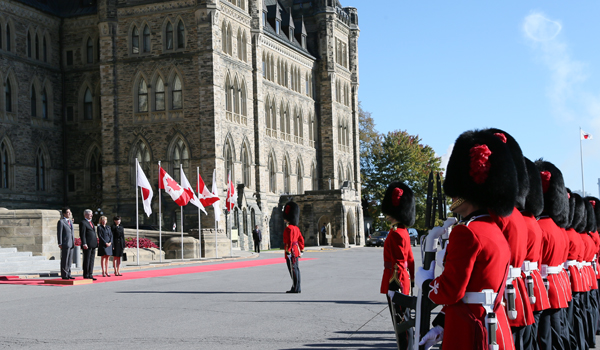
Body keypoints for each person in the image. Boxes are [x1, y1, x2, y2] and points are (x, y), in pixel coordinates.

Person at [417, 130, 516, 350]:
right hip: (493, 326)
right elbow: (475, 290)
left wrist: (426, 284)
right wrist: (441, 325)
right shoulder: (494, 230)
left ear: (465, 192)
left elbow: (451, 290)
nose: (452, 198)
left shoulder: (467, 232)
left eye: (455, 193)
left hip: (469, 332)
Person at [380, 181, 415, 350]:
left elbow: (400, 263)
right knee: (404, 321)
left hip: (396, 280)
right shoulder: (403, 232)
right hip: (402, 279)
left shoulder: (396, 234)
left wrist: (395, 284)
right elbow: (411, 260)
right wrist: (411, 279)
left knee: (400, 322)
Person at [283, 201, 304, 293]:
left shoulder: (289, 228)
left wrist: (288, 251)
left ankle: (295, 288)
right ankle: (297, 287)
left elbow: (290, 240)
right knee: (296, 269)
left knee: (293, 270)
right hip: (296, 249)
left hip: (291, 250)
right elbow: (301, 239)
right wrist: (301, 249)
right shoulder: (296, 228)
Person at [56, 207, 75, 280]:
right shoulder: (61, 222)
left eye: (70, 212)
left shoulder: (70, 222)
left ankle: (69, 273)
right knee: (65, 259)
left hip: (71, 243)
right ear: (64, 214)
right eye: (67, 212)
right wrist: (60, 243)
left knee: (70, 260)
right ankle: (64, 274)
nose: (69, 213)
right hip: (65, 243)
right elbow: (59, 233)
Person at [80, 209, 98, 280]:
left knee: (92, 260)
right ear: (86, 215)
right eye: (90, 214)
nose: (92, 215)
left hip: (93, 244)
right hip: (87, 244)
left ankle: (90, 273)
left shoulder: (91, 222)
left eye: (92, 214)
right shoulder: (83, 223)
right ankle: (86, 274)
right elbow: (82, 234)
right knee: (87, 259)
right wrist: (84, 243)